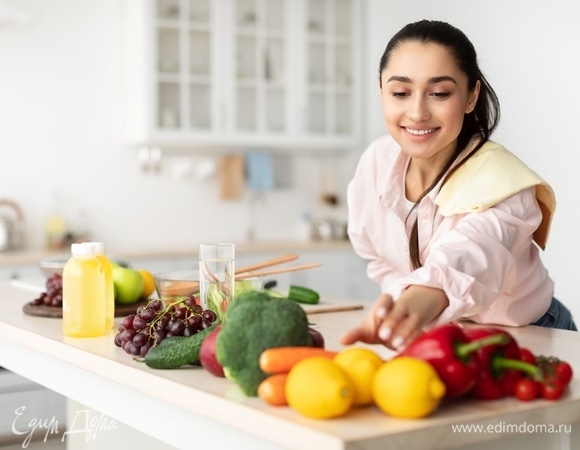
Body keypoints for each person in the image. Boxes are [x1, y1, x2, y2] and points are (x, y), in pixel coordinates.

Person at [340, 19, 577, 352]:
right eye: (400, 93)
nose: (417, 112)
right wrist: (402, 307)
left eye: (439, 93)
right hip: (446, 336)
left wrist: (419, 302)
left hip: (531, 336)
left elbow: (471, 256)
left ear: (470, 96)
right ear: (381, 92)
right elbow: (379, 258)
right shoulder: (377, 161)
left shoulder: (504, 181)